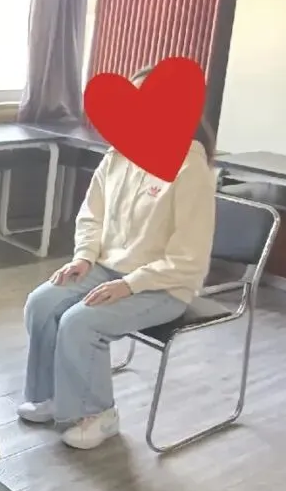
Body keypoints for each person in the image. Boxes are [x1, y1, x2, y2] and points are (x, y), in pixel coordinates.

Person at [17, 65, 217, 450]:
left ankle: (99, 413)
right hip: (106, 267)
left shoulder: (190, 169)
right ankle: (53, 395)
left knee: (80, 322)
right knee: (42, 303)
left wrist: (130, 284)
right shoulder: (119, 154)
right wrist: (84, 257)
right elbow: (92, 214)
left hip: (163, 286)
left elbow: (190, 260)